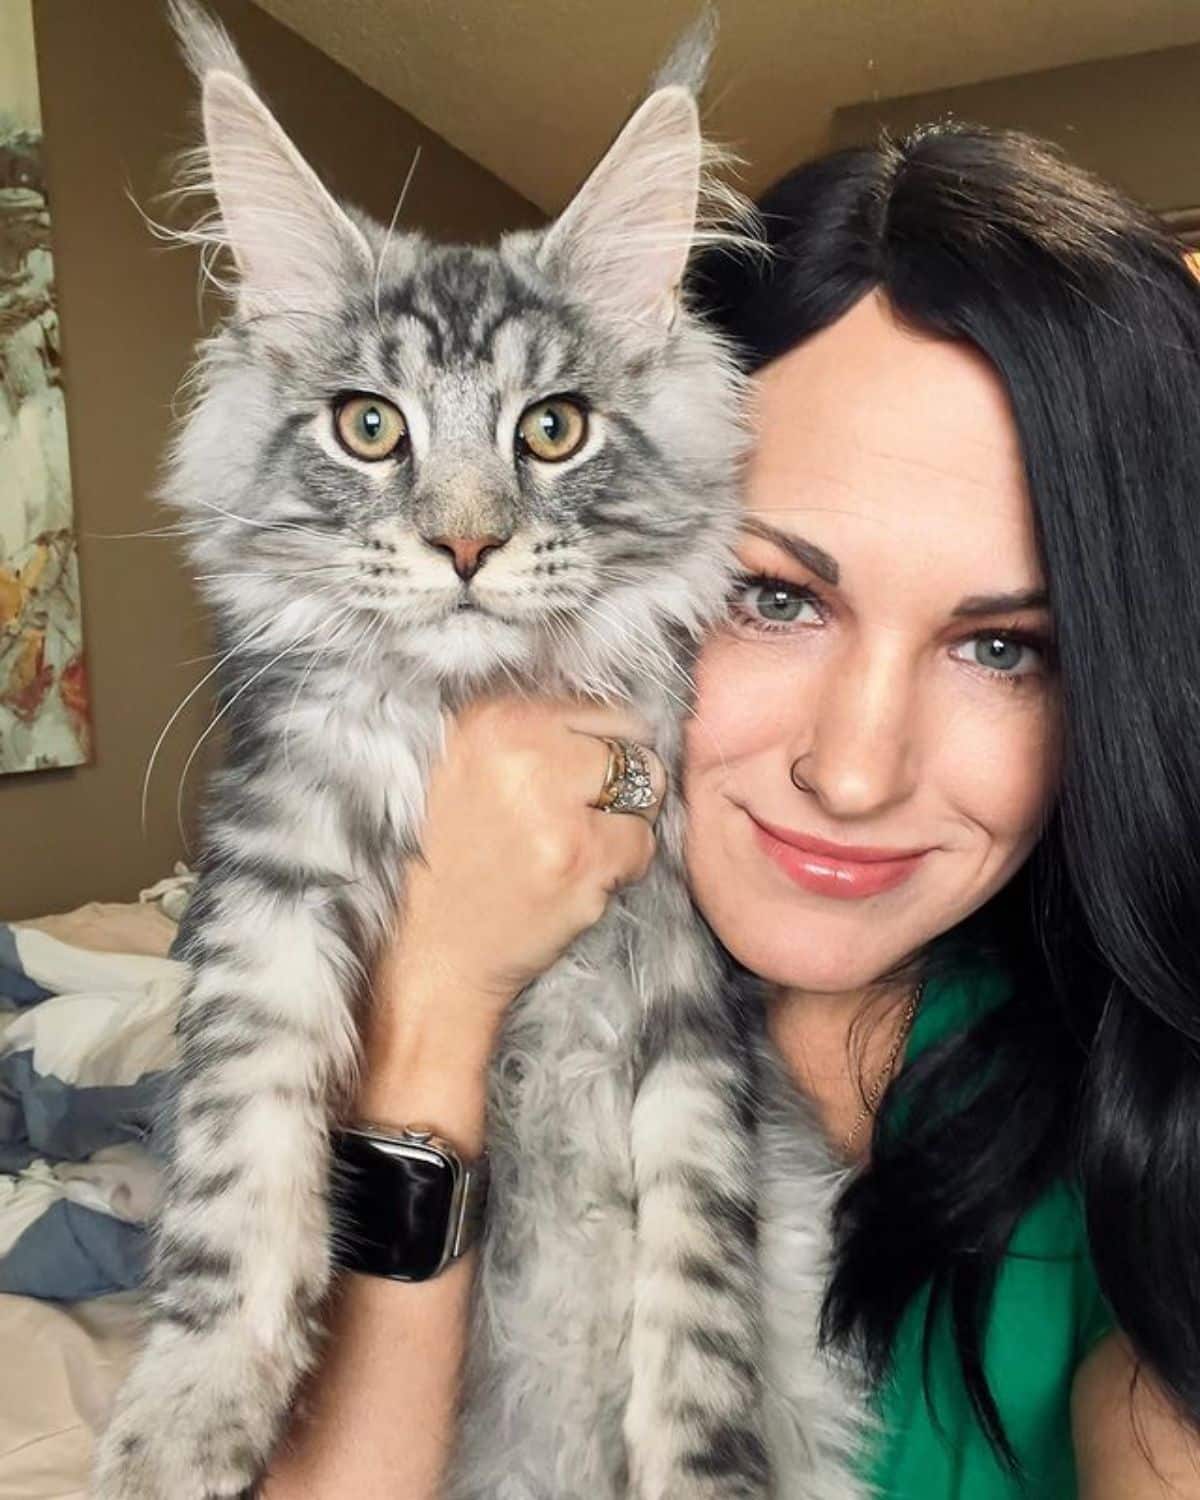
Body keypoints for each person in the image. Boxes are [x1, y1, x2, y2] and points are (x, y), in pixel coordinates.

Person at [261, 122, 1200, 1499]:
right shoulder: (352, 964)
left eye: (1006, 647)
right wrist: (435, 1010)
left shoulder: (1146, 1113)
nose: (856, 771)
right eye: (776, 597)